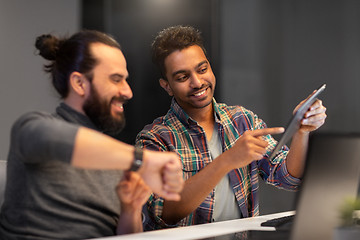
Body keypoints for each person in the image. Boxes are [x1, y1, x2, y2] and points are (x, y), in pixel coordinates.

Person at [135, 25, 327, 229]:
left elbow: (288, 177)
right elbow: (164, 213)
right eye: (183, 77)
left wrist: (302, 132)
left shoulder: (242, 120)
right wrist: (227, 160)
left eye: (202, 70)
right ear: (167, 86)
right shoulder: (154, 139)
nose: (197, 82)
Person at [0, 30, 184, 240]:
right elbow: (52, 138)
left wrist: (130, 209)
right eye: (116, 79)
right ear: (79, 83)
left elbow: (126, 236)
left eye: (125, 79)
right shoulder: (32, 126)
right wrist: (145, 160)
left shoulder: (114, 158)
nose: (128, 92)